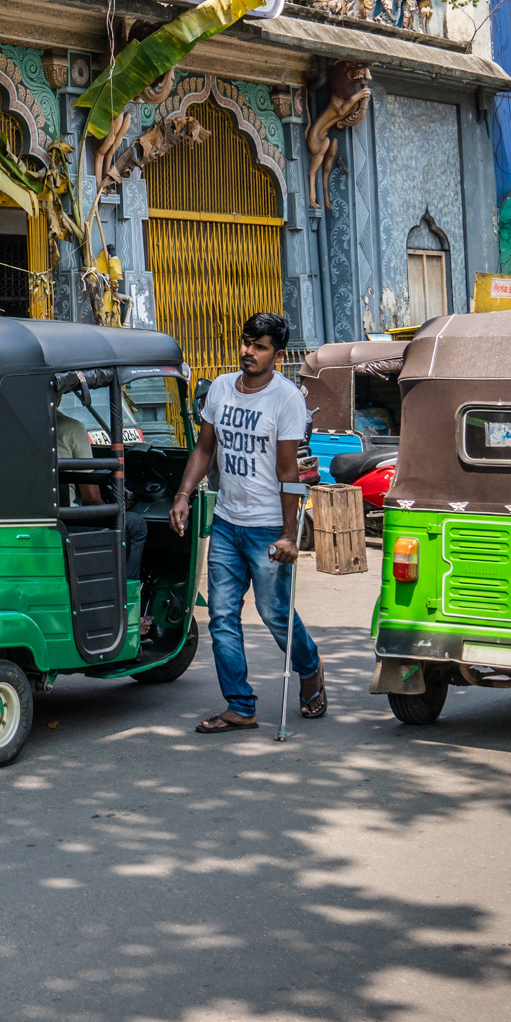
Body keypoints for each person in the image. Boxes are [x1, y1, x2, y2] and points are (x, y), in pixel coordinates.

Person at [168, 312, 321, 731]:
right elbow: (203, 449)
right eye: (245, 342)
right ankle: (240, 705)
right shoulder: (219, 388)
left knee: (274, 613)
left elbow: (289, 472)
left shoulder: (286, 399)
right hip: (226, 522)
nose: (247, 352)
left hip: (269, 527)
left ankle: (310, 668)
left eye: (259, 346)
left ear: (277, 353)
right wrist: (184, 494)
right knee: (221, 617)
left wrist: (291, 535)